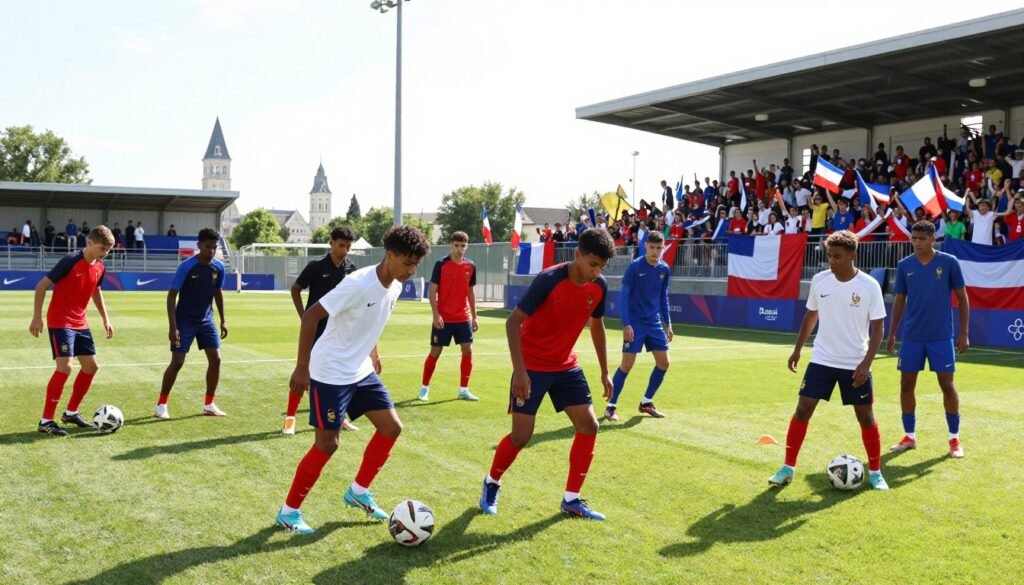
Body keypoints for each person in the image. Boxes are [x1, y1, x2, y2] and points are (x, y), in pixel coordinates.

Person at [274, 225, 431, 534]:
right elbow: (311, 316)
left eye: (416, 264)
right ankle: (288, 512)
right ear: (390, 255)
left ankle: (358, 492)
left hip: (360, 370)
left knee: (391, 428)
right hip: (330, 371)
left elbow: (368, 321)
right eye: (408, 262)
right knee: (327, 445)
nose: (412, 270)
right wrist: (302, 367)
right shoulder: (357, 283)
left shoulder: (396, 285)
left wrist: (373, 352)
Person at [478, 228, 616, 521]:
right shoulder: (549, 280)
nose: (596, 272)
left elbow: (597, 325)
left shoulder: (599, 286)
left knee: (589, 426)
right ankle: (491, 482)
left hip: (566, 366)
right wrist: (520, 372)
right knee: (521, 436)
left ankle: (572, 500)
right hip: (531, 366)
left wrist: (605, 371)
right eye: (592, 264)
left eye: (601, 267)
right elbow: (513, 323)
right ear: (577, 255)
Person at [768, 231, 888, 489]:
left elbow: (878, 329)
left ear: (852, 256)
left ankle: (876, 472)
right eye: (829, 256)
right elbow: (811, 316)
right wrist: (798, 349)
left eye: (837, 256)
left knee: (866, 417)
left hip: (855, 362)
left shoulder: (869, 286)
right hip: (822, 359)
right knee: (802, 410)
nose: (832, 261)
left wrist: (866, 365)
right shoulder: (820, 280)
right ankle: (788, 467)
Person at [887, 221, 969, 458]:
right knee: (906, 385)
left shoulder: (949, 262)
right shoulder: (905, 265)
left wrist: (963, 333)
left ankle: (954, 439)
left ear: (933, 239)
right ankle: (909, 436)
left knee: (947, 385)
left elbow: (963, 298)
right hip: (912, 337)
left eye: (922, 238)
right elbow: (900, 300)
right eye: (914, 238)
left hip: (941, 337)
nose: (917, 243)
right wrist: (892, 333)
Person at [29, 226, 116, 436]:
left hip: (80, 322)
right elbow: (41, 286)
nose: (105, 253)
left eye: (108, 250)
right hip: (60, 321)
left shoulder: (100, 267)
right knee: (65, 367)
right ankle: (46, 420)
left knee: (91, 367)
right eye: (102, 248)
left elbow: (96, 291)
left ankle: (71, 413)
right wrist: (37, 317)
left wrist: (106, 319)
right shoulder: (70, 261)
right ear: (90, 243)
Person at [283, 226, 359, 435]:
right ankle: (290, 418)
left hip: (341, 331)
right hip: (317, 329)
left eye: (348, 247)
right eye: (341, 245)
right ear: (331, 243)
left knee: (340, 373)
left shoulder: (352, 269)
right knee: (304, 371)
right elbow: (296, 289)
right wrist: (304, 316)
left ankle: (341, 418)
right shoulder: (316, 266)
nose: (344, 250)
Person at [154, 227, 229, 419]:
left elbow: (218, 292)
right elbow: (171, 296)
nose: (211, 250)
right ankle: (161, 405)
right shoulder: (187, 266)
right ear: (199, 245)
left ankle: (209, 404)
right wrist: (173, 326)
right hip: (184, 321)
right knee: (178, 362)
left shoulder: (218, 267)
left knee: (216, 359)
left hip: (206, 320)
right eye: (208, 246)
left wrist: (223, 320)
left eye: (214, 247)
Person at [605, 230, 672, 422]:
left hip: (653, 323)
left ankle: (646, 402)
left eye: (659, 248)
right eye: (652, 247)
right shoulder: (634, 267)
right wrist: (626, 324)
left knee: (664, 363)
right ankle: (611, 406)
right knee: (627, 364)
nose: (655, 251)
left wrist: (667, 323)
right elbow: (623, 296)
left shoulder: (664, 269)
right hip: (634, 323)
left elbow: (663, 298)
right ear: (646, 246)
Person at [419, 230, 479, 402]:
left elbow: (471, 293)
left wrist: (475, 316)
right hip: (444, 318)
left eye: (463, 246)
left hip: (463, 318)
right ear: (451, 245)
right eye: (457, 245)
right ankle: (424, 388)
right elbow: (432, 291)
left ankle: (463, 390)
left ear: (466, 247)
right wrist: (436, 314)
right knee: (435, 352)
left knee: (468, 350)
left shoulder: (471, 266)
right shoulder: (441, 264)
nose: (460, 249)